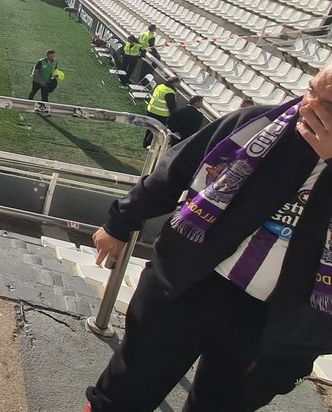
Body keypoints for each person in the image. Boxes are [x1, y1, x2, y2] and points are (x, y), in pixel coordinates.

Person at [86, 63, 332, 411]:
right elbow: (179, 167)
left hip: (269, 324)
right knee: (125, 391)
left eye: (328, 105)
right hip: (186, 284)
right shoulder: (255, 125)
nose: (308, 106)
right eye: (310, 89)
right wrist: (120, 221)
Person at [143, 76, 180, 148]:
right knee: (157, 130)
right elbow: (171, 106)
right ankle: (149, 144)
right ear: (174, 83)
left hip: (151, 110)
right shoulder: (170, 92)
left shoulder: (160, 86)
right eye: (178, 83)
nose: (179, 85)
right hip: (160, 114)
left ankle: (146, 143)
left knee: (150, 128)